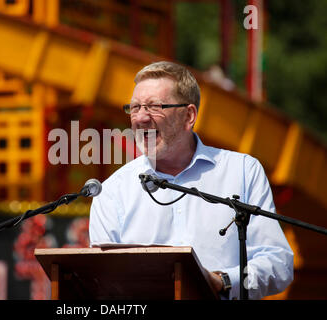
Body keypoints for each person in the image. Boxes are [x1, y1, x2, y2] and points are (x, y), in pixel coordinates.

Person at [89, 61, 293, 300]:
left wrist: (223, 281)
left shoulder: (243, 171)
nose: (141, 118)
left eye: (154, 107)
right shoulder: (112, 190)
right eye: (134, 108)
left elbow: (278, 263)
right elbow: (100, 282)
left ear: (189, 115)